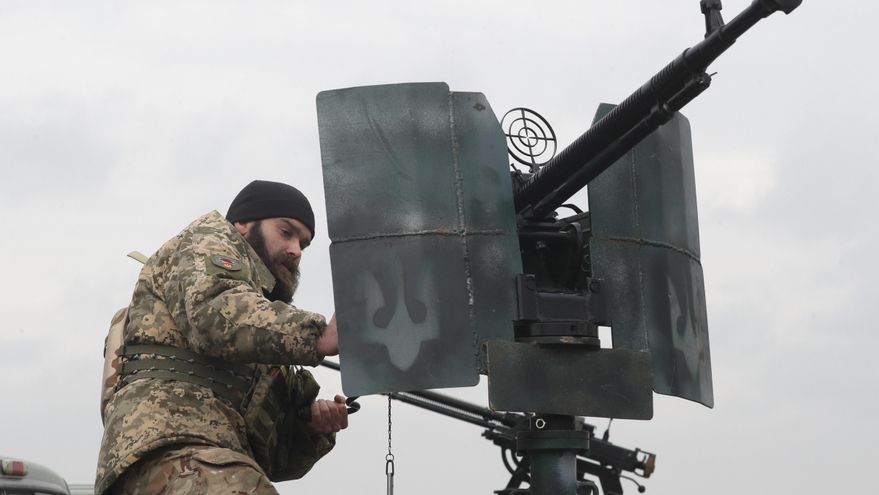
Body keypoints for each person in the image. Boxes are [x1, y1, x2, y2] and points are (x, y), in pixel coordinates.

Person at [96, 180, 348, 495]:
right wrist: (318, 337)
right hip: (167, 450)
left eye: (303, 243)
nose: (296, 250)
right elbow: (214, 315)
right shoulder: (208, 242)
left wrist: (311, 428)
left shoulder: (261, 330)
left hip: (207, 463)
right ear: (242, 224)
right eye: (286, 232)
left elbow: (275, 462)